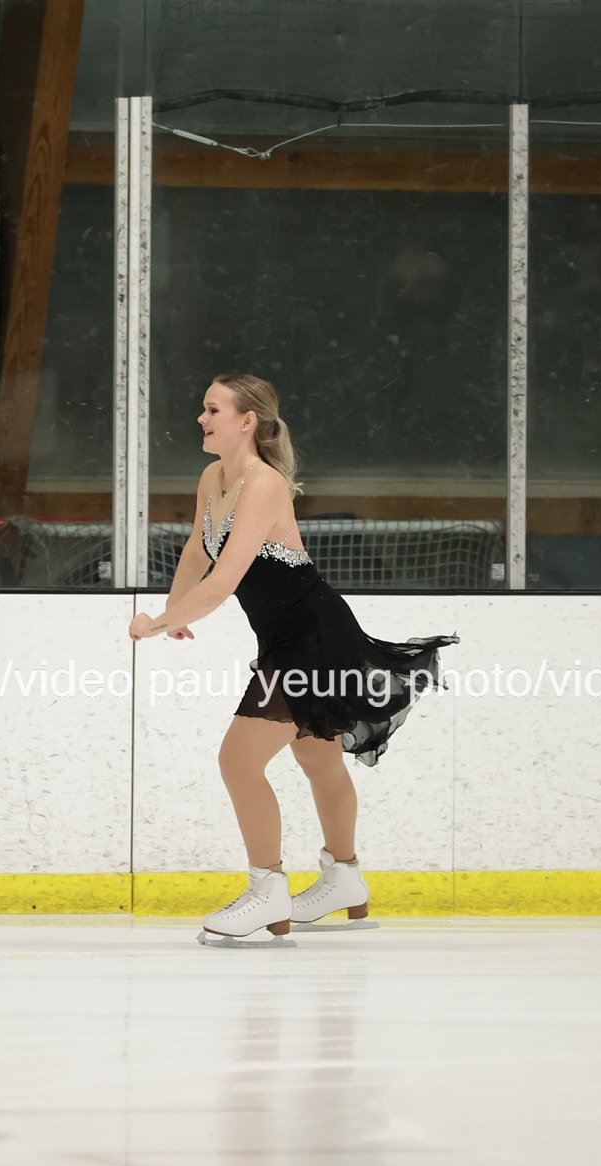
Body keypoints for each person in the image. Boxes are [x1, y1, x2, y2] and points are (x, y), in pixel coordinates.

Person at [128, 374, 458, 947]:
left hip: (311, 640)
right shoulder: (214, 477)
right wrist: (173, 610)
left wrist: (156, 625)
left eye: (213, 409)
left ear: (247, 420)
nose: (201, 418)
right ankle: (345, 878)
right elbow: (198, 550)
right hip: (288, 638)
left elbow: (225, 580)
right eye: (204, 408)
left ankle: (268, 890)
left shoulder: (264, 484)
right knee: (317, 757)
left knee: (238, 762)